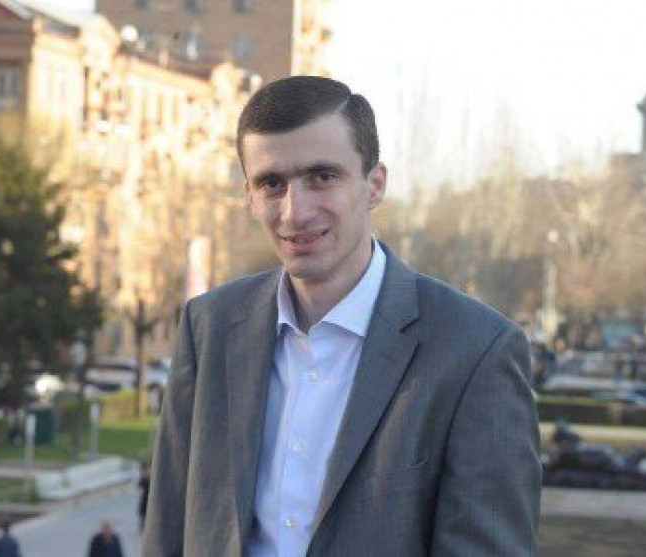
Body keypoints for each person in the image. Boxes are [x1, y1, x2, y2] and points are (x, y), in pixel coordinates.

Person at [143, 76, 541, 556]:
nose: (295, 212)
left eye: (322, 177)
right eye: (272, 183)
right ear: (249, 196)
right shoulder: (208, 327)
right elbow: (168, 530)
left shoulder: (476, 350)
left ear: (375, 185)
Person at [137, 462, 151, 532]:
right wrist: (143, 475)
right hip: (145, 504)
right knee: (143, 523)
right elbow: (140, 484)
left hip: (148, 504)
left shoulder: (150, 479)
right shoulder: (145, 479)